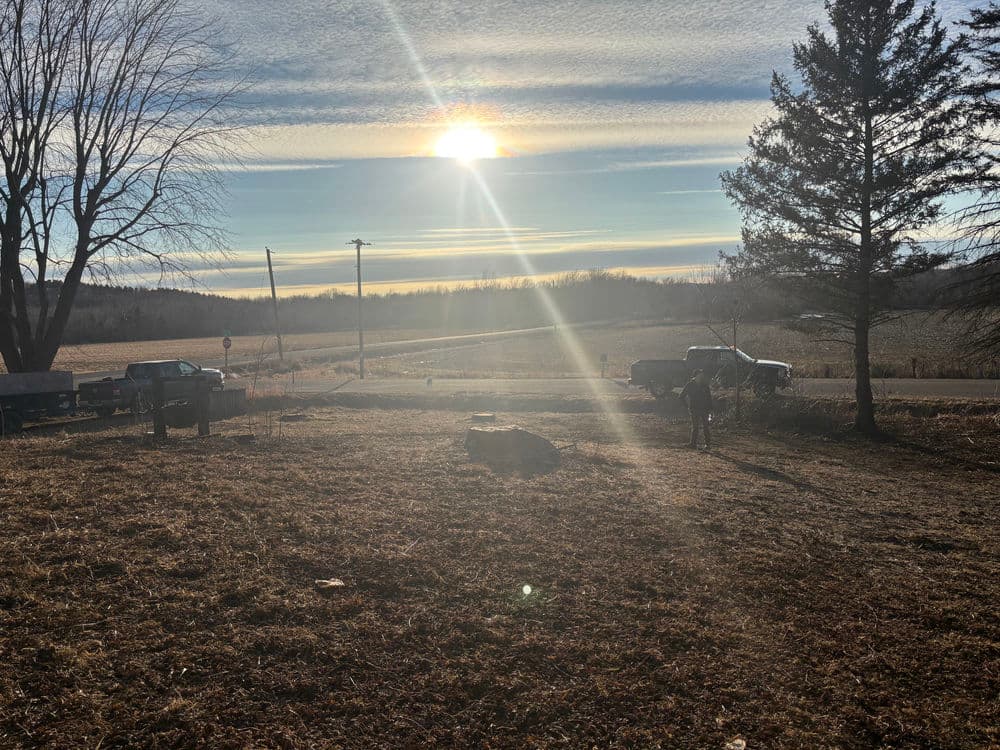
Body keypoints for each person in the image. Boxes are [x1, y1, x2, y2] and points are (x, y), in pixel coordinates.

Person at [679, 369, 713, 449]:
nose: (702, 376)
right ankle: (693, 444)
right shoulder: (690, 385)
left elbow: (709, 398)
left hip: (704, 409)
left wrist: (710, 409)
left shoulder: (704, 385)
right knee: (695, 427)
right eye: (700, 374)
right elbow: (681, 396)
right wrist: (687, 406)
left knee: (705, 427)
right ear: (696, 375)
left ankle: (707, 444)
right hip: (694, 409)